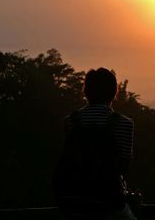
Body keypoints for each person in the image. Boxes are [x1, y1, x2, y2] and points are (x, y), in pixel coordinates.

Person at [53, 68, 136, 220]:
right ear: (114, 92)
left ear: (86, 92)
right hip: (109, 201)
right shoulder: (124, 124)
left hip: (72, 200)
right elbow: (124, 166)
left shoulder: (70, 121)